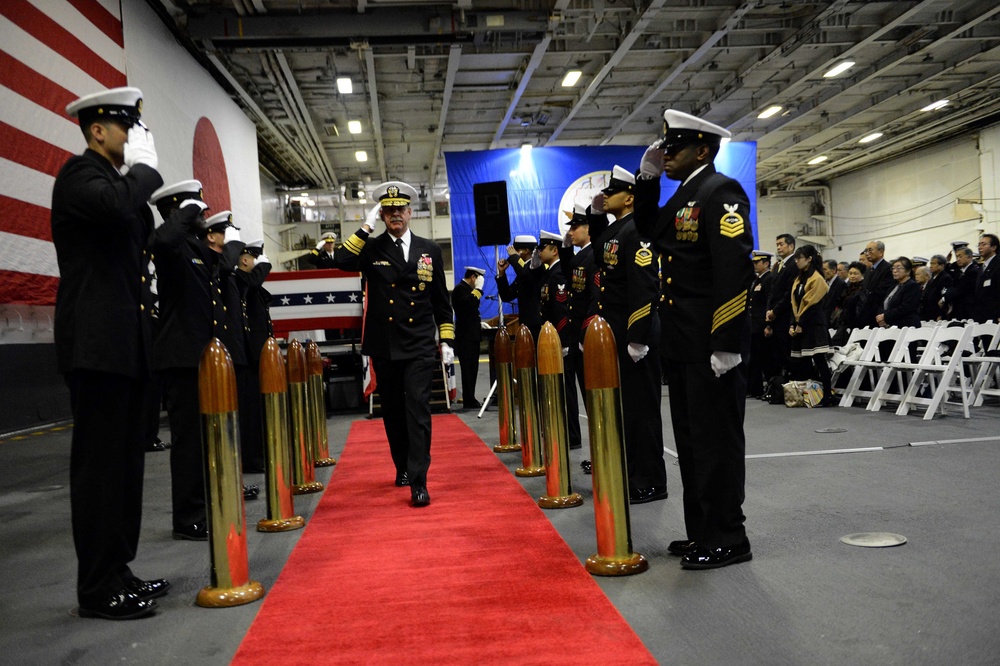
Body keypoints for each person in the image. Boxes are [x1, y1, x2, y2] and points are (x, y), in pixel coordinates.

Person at [53, 87, 167, 620]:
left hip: (126, 347)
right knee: (100, 471)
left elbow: (133, 224)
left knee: (125, 469)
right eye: (128, 128)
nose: (136, 138)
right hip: (97, 347)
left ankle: (118, 568)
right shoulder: (79, 177)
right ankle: (96, 587)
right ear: (98, 130)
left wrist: (137, 179)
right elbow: (119, 205)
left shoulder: (116, 188)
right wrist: (144, 171)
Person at [634, 109, 753, 569]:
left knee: (715, 443)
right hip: (684, 341)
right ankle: (702, 530)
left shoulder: (720, 190)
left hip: (709, 343)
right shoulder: (686, 192)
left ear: (701, 150)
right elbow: (650, 230)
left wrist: (725, 340)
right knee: (690, 442)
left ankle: (729, 536)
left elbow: (733, 268)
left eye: (673, 149)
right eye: (664, 150)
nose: (666, 156)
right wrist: (646, 181)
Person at [335, 181, 454, 507]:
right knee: (393, 412)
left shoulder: (429, 248)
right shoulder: (371, 248)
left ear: (410, 212)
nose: (395, 215)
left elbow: (441, 301)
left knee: (418, 410)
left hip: (417, 343)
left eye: (400, 210)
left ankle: (419, 480)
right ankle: (401, 466)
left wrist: (446, 339)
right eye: (388, 211)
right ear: (383, 216)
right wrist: (365, 225)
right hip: (385, 344)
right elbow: (340, 259)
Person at [151, 183, 247, 539]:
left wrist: (232, 239)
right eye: (198, 210)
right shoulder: (172, 247)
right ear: (180, 211)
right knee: (189, 443)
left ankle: (207, 503)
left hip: (204, 357)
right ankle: (188, 517)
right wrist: (187, 210)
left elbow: (223, 265)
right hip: (182, 359)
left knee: (209, 437)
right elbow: (161, 240)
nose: (204, 215)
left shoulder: (195, 249)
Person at [587, 165, 667, 504]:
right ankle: (632, 472)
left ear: (630, 197)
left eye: (612, 192)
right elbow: (601, 247)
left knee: (641, 410)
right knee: (625, 410)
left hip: (636, 330)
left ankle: (650, 480)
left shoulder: (639, 228)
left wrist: (638, 336)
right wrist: (594, 214)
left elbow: (644, 285)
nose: (606, 196)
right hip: (617, 328)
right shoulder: (620, 229)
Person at [536, 229, 581, 451]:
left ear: (554, 250)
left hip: (563, 341)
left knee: (567, 389)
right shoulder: (548, 274)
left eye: (542, 248)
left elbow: (562, 311)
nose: (538, 251)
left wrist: (563, 342)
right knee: (561, 389)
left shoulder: (559, 274)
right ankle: (567, 430)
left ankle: (573, 435)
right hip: (554, 340)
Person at [561, 204, 596, 466]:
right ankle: (598, 454)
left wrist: (586, 335)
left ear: (588, 228)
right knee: (588, 398)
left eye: (575, 227)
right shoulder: (581, 256)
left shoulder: (594, 255)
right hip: (578, 337)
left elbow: (595, 298)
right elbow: (568, 269)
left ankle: (601, 452)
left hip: (588, 337)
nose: (571, 232)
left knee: (595, 400)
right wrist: (565, 245)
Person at [236, 239, 273, 473]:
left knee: (259, 410)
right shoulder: (239, 280)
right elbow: (253, 279)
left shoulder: (251, 285)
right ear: (246, 260)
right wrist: (264, 266)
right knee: (250, 412)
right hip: (247, 355)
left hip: (257, 355)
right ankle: (252, 458)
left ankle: (260, 454)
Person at [789, 245, 834, 406]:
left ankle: (828, 395)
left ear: (809, 259)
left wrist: (801, 323)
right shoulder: (799, 278)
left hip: (814, 323)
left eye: (799, 258)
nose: (796, 261)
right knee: (802, 360)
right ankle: (811, 394)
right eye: (795, 258)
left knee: (820, 360)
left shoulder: (817, 279)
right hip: (801, 323)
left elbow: (813, 304)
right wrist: (794, 323)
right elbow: (795, 303)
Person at [496, 235, 544, 339]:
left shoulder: (537, 267)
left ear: (526, 250)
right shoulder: (522, 273)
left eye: (517, 250)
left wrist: (514, 257)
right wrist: (502, 274)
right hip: (525, 324)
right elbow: (506, 296)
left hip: (537, 324)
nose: (514, 253)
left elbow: (526, 274)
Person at [452, 266, 486, 409]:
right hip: (466, 337)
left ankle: (470, 397)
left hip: (471, 334)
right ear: (473, 278)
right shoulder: (460, 289)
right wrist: (478, 289)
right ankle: (468, 399)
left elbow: (472, 309)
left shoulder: (466, 290)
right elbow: (469, 304)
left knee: (472, 369)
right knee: (468, 369)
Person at [765, 233, 798, 379]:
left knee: (787, 352)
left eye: (781, 244)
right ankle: (781, 387)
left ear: (791, 246)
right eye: (777, 244)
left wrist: (775, 311)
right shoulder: (779, 265)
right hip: (775, 316)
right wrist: (769, 311)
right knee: (778, 354)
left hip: (785, 315)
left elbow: (788, 293)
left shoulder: (793, 265)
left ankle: (793, 385)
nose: (778, 247)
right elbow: (773, 292)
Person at [747, 251, 774, 398]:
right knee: (754, 359)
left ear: (766, 263)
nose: (755, 265)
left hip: (761, 324)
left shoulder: (769, 279)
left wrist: (767, 324)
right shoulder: (757, 280)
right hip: (754, 324)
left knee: (764, 359)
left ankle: (769, 388)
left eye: (757, 262)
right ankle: (755, 388)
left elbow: (768, 302)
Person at [876, 257, 921, 328]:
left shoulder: (912, 286)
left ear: (908, 271)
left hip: (906, 325)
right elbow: (883, 304)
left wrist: (885, 316)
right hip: (890, 325)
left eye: (898, 268)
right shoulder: (893, 286)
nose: (894, 271)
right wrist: (881, 318)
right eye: (893, 268)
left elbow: (906, 308)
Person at [857, 240, 894, 327]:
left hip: (878, 314)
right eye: (866, 251)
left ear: (880, 252)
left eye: (870, 250)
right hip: (866, 313)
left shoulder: (888, 269)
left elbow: (882, 292)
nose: (867, 253)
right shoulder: (868, 270)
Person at [940, 246, 980, 320]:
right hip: (959, 309)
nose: (958, 259)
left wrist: (944, 298)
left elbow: (960, 290)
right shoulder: (959, 272)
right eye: (956, 257)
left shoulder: (973, 271)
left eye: (960, 256)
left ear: (969, 257)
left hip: (968, 310)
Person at [974, 234, 999, 323]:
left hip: (995, 315)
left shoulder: (997, 264)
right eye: (979, 244)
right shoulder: (982, 267)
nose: (980, 247)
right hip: (982, 315)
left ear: (993, 247)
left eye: (984, 244)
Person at [920, 255, 952, 321]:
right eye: (930, 263)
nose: (931, 266)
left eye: (934, 263)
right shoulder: (932, 278)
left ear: (942, 266)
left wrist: (941, 314)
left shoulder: (945, 278)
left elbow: (944, 298)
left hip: (937, 314)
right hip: (928, 313)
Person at [821, 259, 847, 326]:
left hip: (834, 321)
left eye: (825, 269)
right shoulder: (825, 283)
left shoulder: (841, 284)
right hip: (824, 320)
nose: (823, 272)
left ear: (834, 270)